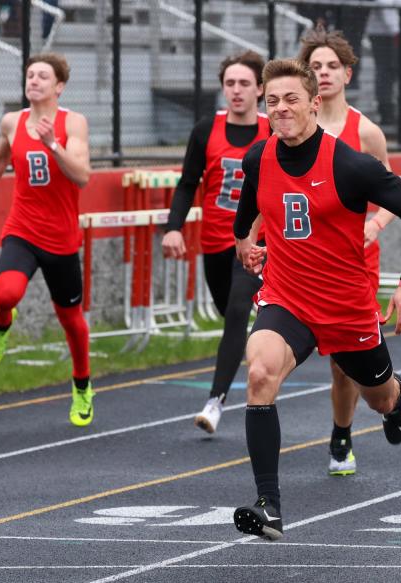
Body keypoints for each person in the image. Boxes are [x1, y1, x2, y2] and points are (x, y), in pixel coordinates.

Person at [230, 58, 401, 541]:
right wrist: (244, 242)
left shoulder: (350, 164)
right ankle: (269, 507)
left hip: (346, 308)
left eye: (291, 99)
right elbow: (248, 208)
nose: (280, 109)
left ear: (314, 103)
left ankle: (397, 398)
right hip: (287, 299)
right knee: (259, 373)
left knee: (378, 398)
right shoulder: (258, 157)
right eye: (272, 100)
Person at [0, 52, 94, 426]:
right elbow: (0, 160)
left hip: (62, 238)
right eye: (30, 75)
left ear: (58, 86)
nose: (33, 81)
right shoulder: (12, 122)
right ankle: (2, 325)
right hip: (22, 229)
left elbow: (81, 176)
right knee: (5, 294)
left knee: (71, 320)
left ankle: (82, 385)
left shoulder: (73, 123)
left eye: (42, 76)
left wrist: (53, 144)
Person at [297, 27, 400, 476]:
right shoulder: (293, 127)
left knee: (344, 365)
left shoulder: (366, 132)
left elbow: (398, 196)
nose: (323, 74)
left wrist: (375, 225)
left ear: (347, 74)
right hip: (302, 261)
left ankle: (342, 435)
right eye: (315, 67)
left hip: (354, 262)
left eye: (331, 67)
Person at [162, 51, 271, 434]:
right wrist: (173, 227)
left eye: (245, 84)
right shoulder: (206, 129)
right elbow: (187, 183)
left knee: (240, 309)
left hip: (257, 242)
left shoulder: (272, 130)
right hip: (215, 240)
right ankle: (264, 362)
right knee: (232, 319)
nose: (236, 91)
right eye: (230, 84)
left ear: (260, 88)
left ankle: (215, 401)